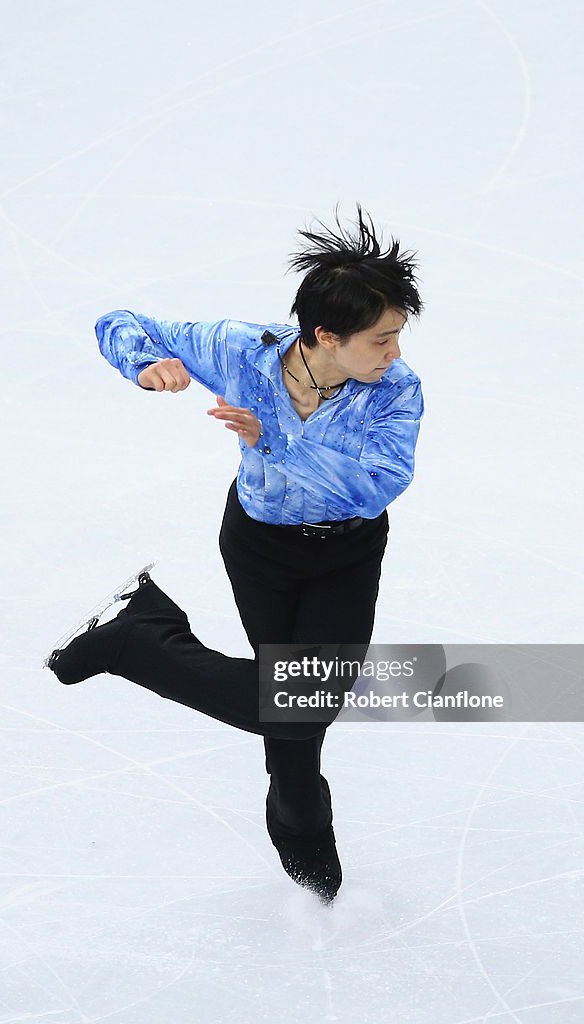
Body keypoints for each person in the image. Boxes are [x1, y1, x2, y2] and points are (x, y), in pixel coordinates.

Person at [47, 204, 424, 903]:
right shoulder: (240, 350)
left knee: (297, 704)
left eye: (396, 337)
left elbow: (379, 483)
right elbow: (120, 322)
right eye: (380, 339)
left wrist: (278, 442)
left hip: (344, 556)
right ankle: (306, 848)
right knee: (291, 715)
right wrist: (147, 363)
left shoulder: (394, 393)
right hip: (259, 549)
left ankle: (138, 637)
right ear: (324, 336)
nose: (393, 354)